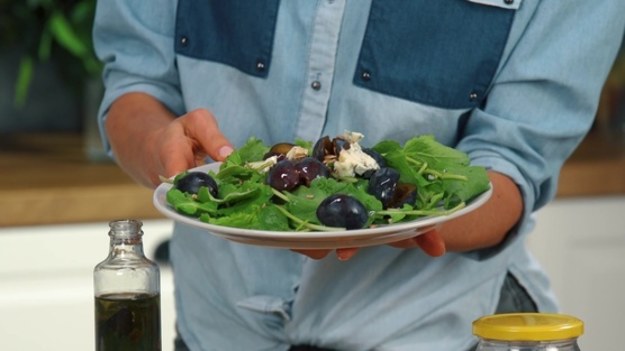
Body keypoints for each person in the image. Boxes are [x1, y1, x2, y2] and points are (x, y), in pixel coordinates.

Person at [93, 1, 625, 350]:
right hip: (217, 330)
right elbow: (136, 85)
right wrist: (160, 145)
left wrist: (408, 219)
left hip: (432, 332)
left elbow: (513, 167)